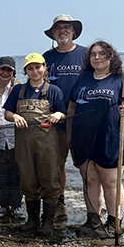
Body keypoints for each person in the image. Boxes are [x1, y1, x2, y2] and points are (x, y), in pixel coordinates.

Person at [67, 41, 124, 238]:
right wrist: (69, 134)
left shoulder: (122, 79)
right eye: (93, 54)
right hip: (83, 138)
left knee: (111, 182)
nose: (97, 57)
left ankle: (113, 222)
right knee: (90, 179)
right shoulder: (83, 78)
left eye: (101, 54)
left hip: (110, 138)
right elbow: (72, 106)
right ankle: (93, 220)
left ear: (111, 56)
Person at [4, 53, 67, 236]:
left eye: (38, 67)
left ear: (44, 67)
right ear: (26, 71)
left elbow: (64, 114)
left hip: (48, 146)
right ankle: (32, 220)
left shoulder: (53, 91)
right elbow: (7, 113)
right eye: (30, 68)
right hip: (24, 145)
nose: (35, 71)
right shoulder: (18, 90)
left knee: (50, 181)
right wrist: (15, 116)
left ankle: (48, 223)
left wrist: (59, 115)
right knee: (28, 181)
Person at [42, 15, 87, 221]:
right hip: (55, 119)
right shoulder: (47, 57)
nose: (63, 30)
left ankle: (93, 208)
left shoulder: (86, 55)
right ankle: (59, 202)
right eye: (58, 28)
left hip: (82, 120)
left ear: (73, 31)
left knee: (87, 166)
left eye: (67, 27)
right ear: (53, 34)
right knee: (57, 165)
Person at [0, 57, 24, 221]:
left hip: (16, 139)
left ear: (14, 73)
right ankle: (3, 206)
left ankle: (16, 207)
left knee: (17, 174)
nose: (5, 73)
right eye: (2, 69)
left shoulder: (19, 90)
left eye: (9, 70)